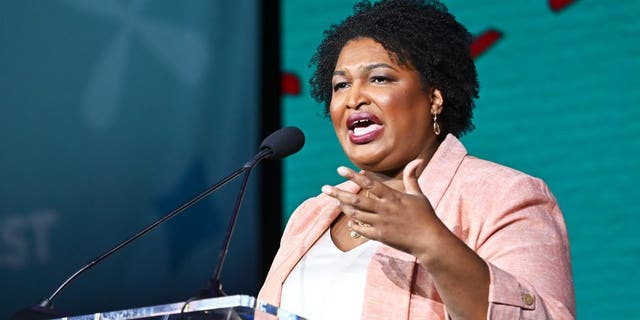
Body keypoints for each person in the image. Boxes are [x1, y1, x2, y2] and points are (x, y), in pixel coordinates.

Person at [259, 0, 575, 319]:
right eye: (341, 85)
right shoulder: (311, 216)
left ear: (434, 99)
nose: (353, 99)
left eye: (379, 79)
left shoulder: (505, 196)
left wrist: (431, 243)